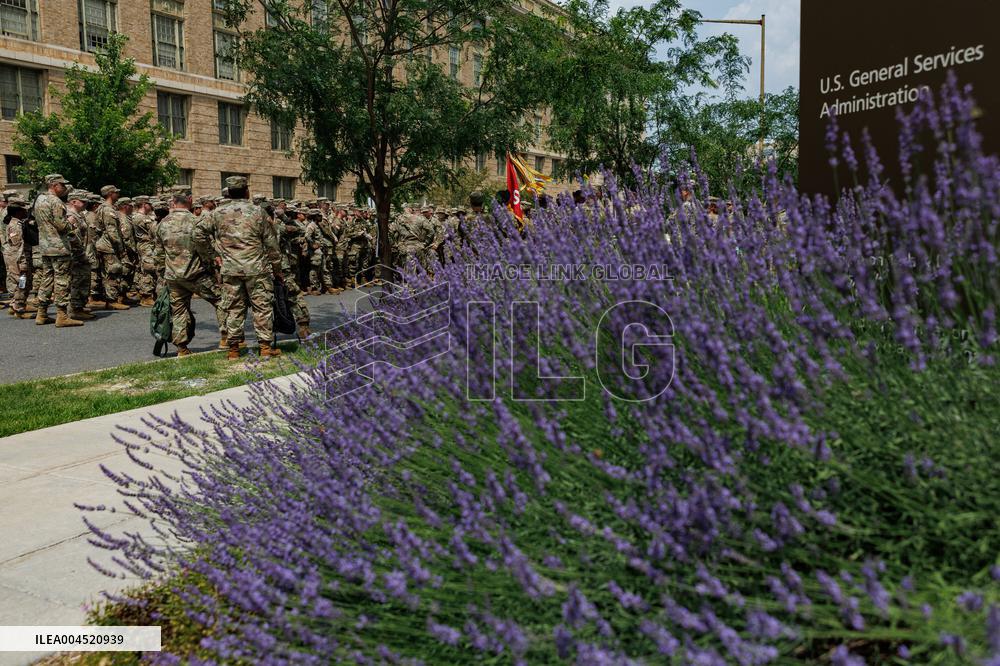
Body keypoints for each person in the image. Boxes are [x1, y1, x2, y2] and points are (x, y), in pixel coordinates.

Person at [194, 175, 284, 360]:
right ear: (246, 191)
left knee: (233, 308)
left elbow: (197, 234)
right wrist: (277, 269)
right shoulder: (258, 212)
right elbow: (271, 244)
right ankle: (265, 348)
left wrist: (212, 256)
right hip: (256, 269)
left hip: (230, 269)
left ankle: (234, 349)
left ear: (228, 192)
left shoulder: (217, 213)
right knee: (261, 307)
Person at [155, 193, 226, 357]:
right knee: (221, 300)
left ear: (173, 202)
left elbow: (158, 254)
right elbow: (206, 249)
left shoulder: (163, 223)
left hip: (173, 276)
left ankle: (182, 348)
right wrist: (212, 267)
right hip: (196, 274)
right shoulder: (196, 222)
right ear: (190, 201)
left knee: (179, 310)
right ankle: (226, 338)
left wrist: (163, 273)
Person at [34, 174, 83, 327]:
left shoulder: (39, 199)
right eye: (62, 185)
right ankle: (62, 315)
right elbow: (62, 226)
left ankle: (41, 313)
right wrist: (71, 223)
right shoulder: (55, 201)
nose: (64, 188)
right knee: (62, 280)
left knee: (47, 279)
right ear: (54, 185)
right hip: (59, 247)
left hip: (45, 246)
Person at [91, 185, 130, 310]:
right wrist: (120, 247)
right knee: (113, 271)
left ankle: (110, 299)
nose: (117, 195)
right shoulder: (108, 210)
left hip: (105, 244)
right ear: (110, 194)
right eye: (115, 193)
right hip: (109, 245)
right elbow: (112, 232)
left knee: (108, 273)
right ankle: (111, 300)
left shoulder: (104, 208)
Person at [65, 190, 95, 321]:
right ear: (73, 202)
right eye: (82, 201)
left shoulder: (79, 215)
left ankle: (79, 307)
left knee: (83, 279)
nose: (85, 203)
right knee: (77, 280)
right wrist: (81, 254)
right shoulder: (71, 216)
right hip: (76, 255)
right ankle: (75, 308)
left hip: (81, 253)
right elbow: (73, 238)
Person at [4, 197, 34, 319]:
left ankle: (18, 305)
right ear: (18, 211)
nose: (26, 212)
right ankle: (19, 308)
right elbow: (18, 248)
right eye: (23, 210)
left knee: (22, 282)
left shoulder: (18, 223)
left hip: (16, 258)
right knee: (21, 283)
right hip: (18, 260)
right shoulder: (16, 226)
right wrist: (23, 264)